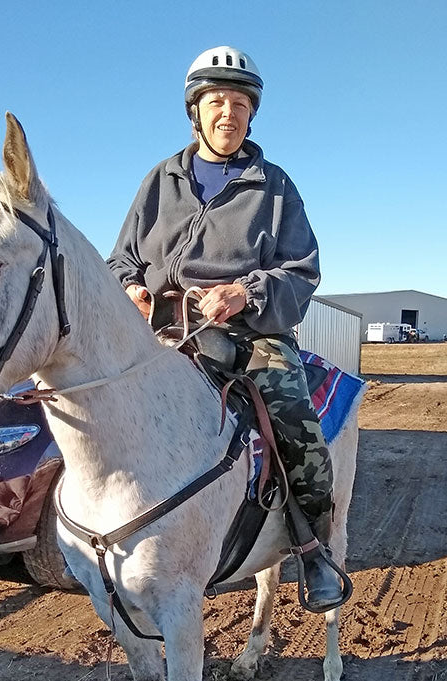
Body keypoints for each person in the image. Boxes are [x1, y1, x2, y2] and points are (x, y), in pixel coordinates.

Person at [107, 45, 341, 611]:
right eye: (216, 101)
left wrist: (244, 293)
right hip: (162, 329)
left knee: (294, 422)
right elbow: (120, 261)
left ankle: (314, 549)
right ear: (196, 110)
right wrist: (134, 290)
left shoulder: (274, 185)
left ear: (252, 113)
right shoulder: (159, 181)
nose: (228, 113)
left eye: (240, 102)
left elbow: (301, 271)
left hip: (248, 332)